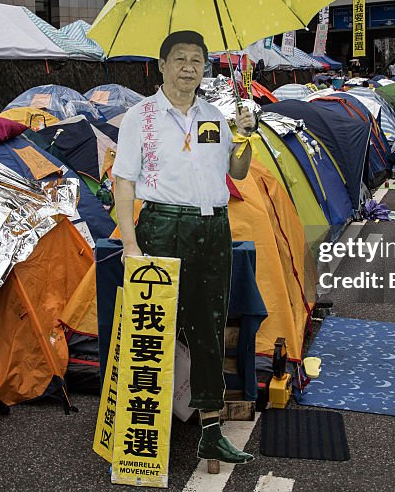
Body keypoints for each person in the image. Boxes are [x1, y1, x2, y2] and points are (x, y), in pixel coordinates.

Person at [112, 30, 256, 465]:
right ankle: (139, 430)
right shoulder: (140, 116)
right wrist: (130, 243)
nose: (189, 67)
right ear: (162, 64)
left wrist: (245, 136)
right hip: (161, 225)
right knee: (155, 331)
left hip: (213, 228)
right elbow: (123, 181)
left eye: (197, 60)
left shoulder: (214, 116)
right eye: (180, 59)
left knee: (209, 328)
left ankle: (210, 431)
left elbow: (239, 172)